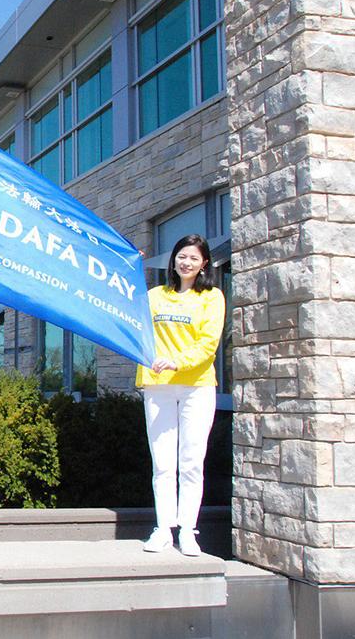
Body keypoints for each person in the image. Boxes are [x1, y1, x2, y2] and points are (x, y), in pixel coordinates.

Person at [137, 234, 225, 557]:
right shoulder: (154, 296)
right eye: (181, 256)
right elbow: (126, 309)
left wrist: (177, 362)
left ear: (204, 264)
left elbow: (208, 343)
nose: (186, 262)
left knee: (191, 462)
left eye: (193, 258)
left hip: (196, 386)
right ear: (173, 259)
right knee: (162, 463)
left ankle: (187, 529)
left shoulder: (211, 297)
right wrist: (129, 266)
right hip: (158, 385)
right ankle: (163, 529)